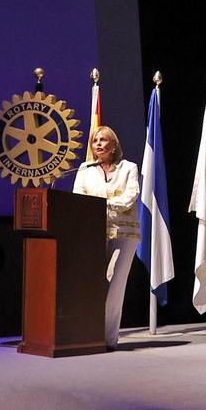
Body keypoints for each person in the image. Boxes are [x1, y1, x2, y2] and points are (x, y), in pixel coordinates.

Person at [72, 126, 141, 349]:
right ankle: (89, 334)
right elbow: (78, 198)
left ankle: (108, 339)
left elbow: (131, 196)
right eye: (95, 141)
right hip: (94, 231)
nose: (98, 144)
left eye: (103, 140)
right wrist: (103, 203)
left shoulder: (129, 167)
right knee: (92, 282)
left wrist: (103, 202)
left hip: (125, 232)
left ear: (113, 145)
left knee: (115, 282)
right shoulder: (84, 168)